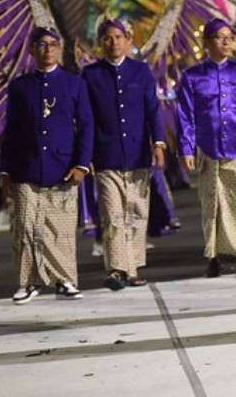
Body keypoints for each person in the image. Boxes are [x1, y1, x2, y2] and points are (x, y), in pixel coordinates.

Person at [0, 27, 94, 304]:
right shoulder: (20, 86)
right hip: (25, 167)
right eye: (41, 45)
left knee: (60, 228)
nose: (48, 50)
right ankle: (27, 283)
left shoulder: (74, 83)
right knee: (26, 226)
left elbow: (86, 126)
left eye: (53, 44)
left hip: (63, 167)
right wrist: (5, 168)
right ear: (32, 50)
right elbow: (12, 129)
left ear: (60, 49)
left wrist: (82, 165)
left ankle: (65, 280)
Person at [177, 18, 236, 278]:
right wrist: (186, 148)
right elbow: (185, 114)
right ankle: (214, 256)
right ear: (207, 43)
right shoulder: (192, 77)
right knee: (212, 201)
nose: (227, 41)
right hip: (207, 145)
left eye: (230, 36)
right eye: (219, 37)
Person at [81, 18, 165, 291]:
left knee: (137, 213)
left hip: (139, 153)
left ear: (128, 41)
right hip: (106, 156)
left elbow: (153, 110)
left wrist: (159, 144)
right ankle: (116, 269)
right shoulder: (91, 75)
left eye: (119, 37)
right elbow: (87, 119)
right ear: (100, 43)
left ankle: (133, 268)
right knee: (113, 214)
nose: (114, 42)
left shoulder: (141, 72)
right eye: (107, 37)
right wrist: (86, 155)